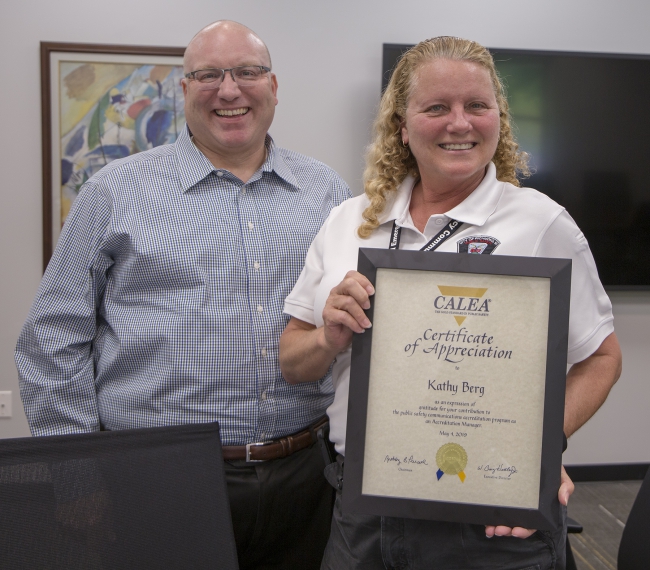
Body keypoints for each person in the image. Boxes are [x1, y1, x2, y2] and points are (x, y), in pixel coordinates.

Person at [16, 20, 351, 570]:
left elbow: (344, 326)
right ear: (184, 89)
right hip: (155, 478)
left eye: (247, 72)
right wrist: (75, 477)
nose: (229, 90)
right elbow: (52, 338)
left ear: (273, 85)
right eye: (208, 75)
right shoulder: (113, 191)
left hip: (304, 477)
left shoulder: (326, 192)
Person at [280, 36, 622, 569]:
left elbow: (602, 358)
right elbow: (292, 362)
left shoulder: (541, 224)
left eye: (477, 106)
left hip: (492, 516)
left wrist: (535, 451)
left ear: (498, 120)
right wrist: (328, 337)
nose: (458, 123)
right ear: (401, 124)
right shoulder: (347, 221)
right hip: (363, 513)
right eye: (436, 107)